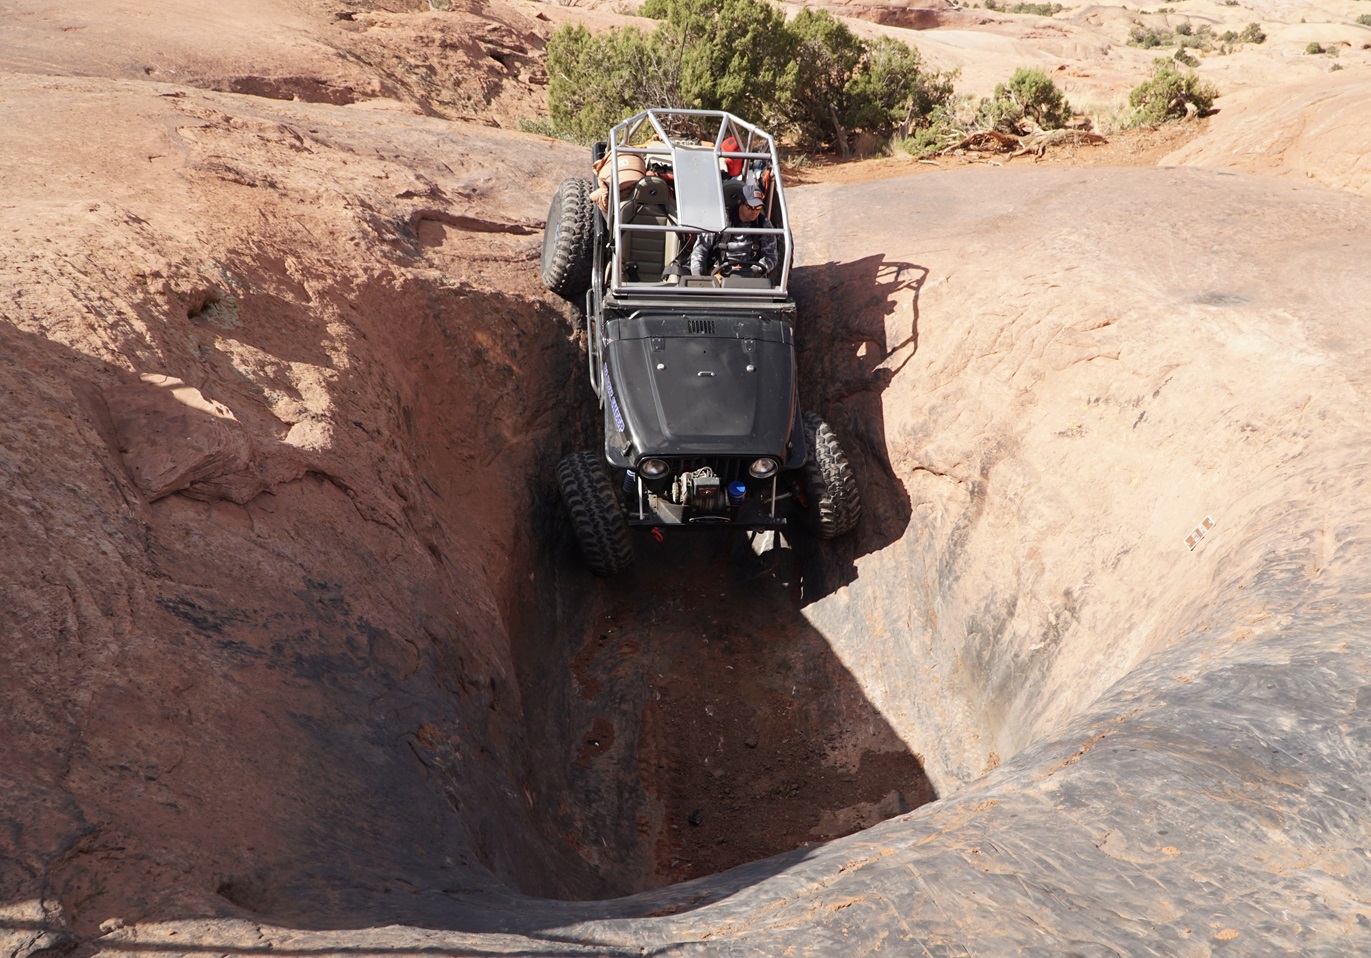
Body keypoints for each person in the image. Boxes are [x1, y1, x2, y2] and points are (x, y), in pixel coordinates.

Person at [690, 183, 777, 279]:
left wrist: (754, 271)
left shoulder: (764, 225)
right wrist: (697, 275)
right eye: (750, 207)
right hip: (719, 274)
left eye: (758, 207)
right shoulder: (719, 221)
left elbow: (771, 257)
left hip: (751, 275)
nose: (755, 211)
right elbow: (700, 250)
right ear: (740, 202)